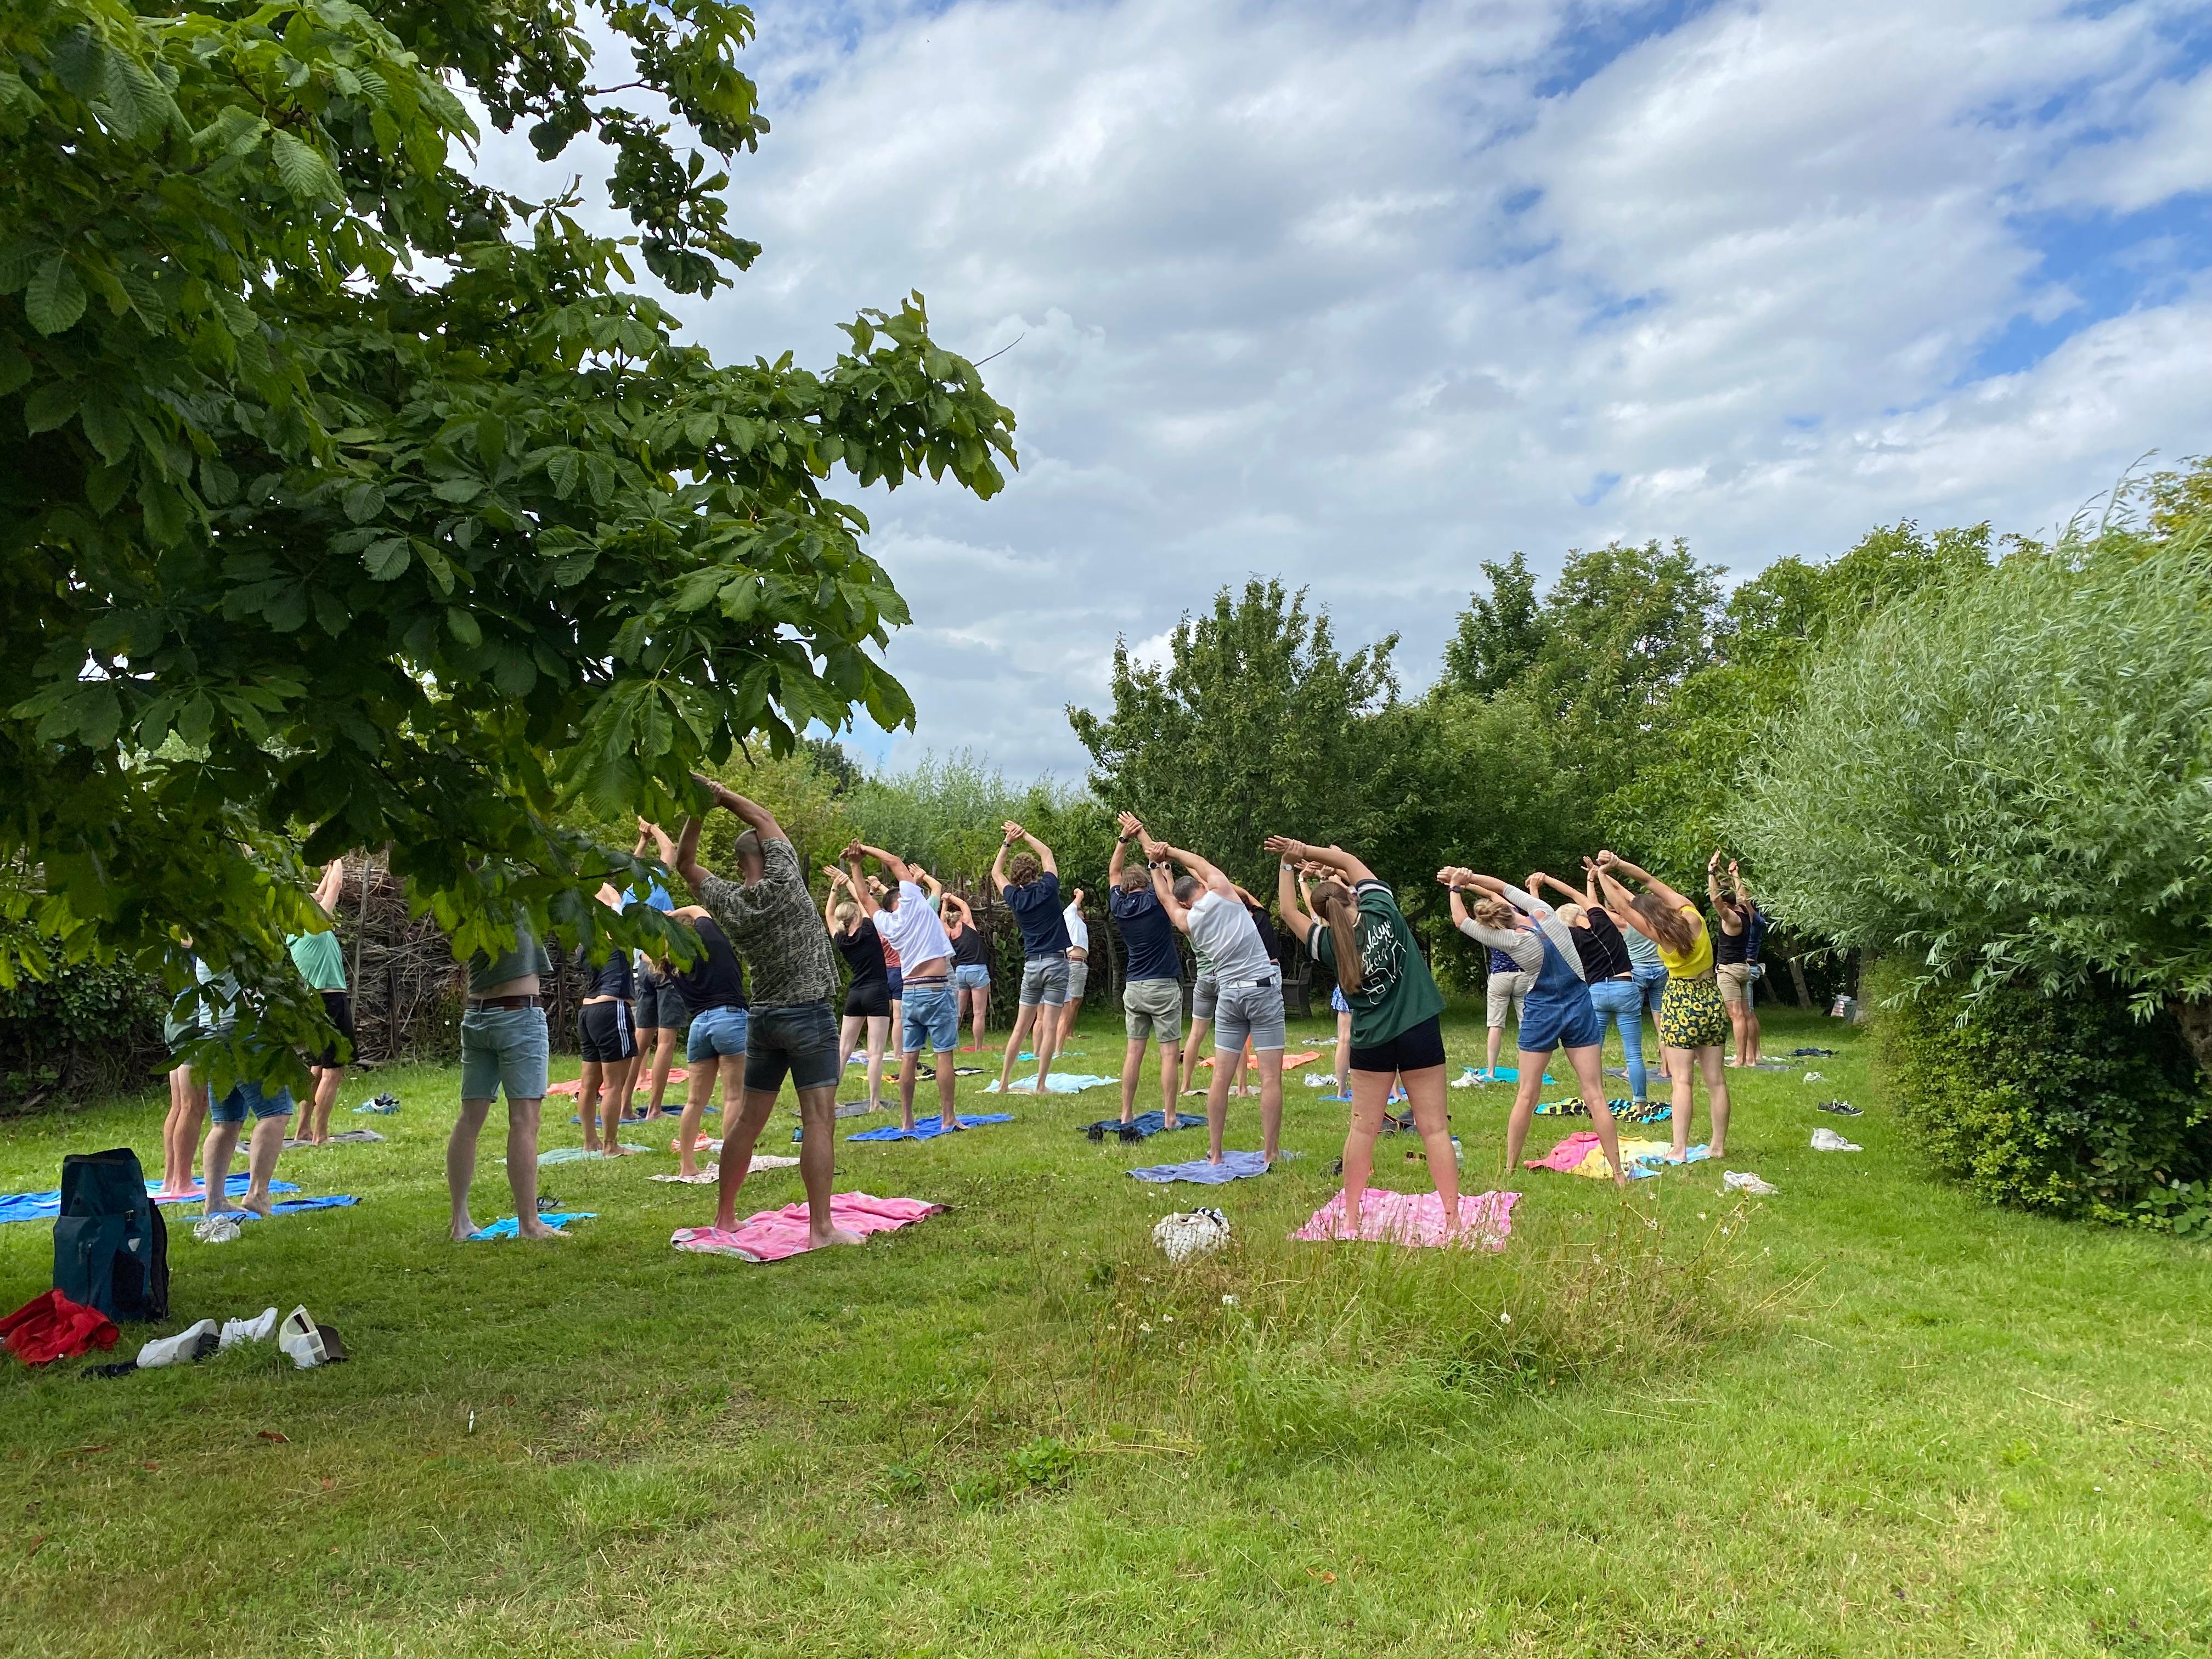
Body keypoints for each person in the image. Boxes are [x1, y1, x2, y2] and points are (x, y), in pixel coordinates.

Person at [675, 778, 861, 1251]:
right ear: (768, 855)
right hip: (809, 1016)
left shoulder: (730, 903)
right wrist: (720, 794)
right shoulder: (787, 883)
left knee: (747, 1121)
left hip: (762, 1019)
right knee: (819, 1120)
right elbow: (763, 819)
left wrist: (699, 811)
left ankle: (726, 1215)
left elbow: (685, 864)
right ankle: (821, 1229)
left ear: (740, 865)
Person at [1268, 836, 1460, 1235]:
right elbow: (1348, 859)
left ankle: (1352, 1218)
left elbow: (1287, 910)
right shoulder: (1382, 908)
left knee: (1362, 1129)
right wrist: (1302, 850)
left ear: (1323, 913)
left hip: (1371, 1041)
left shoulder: (1327, 944)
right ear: (1352, 897)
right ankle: (1453, 1220)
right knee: (1435, 1129)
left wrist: (1286, 866)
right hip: (1419, 1029)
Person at [1441, 869, 1631, 1188]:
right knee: (1595, 1095)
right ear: (1513, 908)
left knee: (1527, 1094)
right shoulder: (1546, 914)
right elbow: (1501, 886)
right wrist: (1469, 877)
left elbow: (1461, 921)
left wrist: (1456, 888)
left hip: (1542, 1012)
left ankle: (1510, 1169)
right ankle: (1618, 1173)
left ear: (1493, 923)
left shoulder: (1507, 939)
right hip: (1579, 1005)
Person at [1142, 833, 1284, 1165]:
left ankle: (1217, 1155)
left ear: (1187, 903)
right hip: (1262, 990)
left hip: (1229, 996)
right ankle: (1271, 1153)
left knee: (1220, 1078)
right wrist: (1171, 852)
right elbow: (1199, 864)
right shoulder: (1225, 893)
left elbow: (1165, 898)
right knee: (1270, 1078)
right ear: (1201, 888)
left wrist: (1154, 864)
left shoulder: (1189, 922)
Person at [1592, 851, 1732, 1161]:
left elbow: (1621, 905)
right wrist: (1617, 864)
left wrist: (1601, 876)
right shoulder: (1691, 914)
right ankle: (1718, 1147)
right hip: (1711, 996)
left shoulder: (1657, 933)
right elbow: (1648, 881)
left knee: (1682, 1081)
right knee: (1716, 1080)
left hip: (1680, 1000)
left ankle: (1680, 1149)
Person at [448, 903, 560, 1240]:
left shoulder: (467, 897)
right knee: (525, 1121)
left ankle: (460, 1223)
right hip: (517, 1015)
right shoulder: (511, 886)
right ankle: (530, 1225)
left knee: (469, 1119)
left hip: (477, 1014)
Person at [843, 842, 962, 1132]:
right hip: (935, 987)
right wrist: (865, 850)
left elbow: (862, 896)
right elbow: (896, 862)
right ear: (906, 896)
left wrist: (855, 864)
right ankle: (948, 1118)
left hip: (910, 992)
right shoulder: (916, 904)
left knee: (909, 1057)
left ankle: (907, 1121)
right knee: (944, 1054)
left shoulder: (886, 923)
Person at [1531, 868, 1651, 1114]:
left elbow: (1540, 919)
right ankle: (1640, 1104)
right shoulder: (1603, 921)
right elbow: (1576, 894)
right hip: (1625, 987)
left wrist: (1535, 891)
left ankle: (1593, 1100)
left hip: (1595, 992)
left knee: (1592, 1049)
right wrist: (1549, 879)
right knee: (1633, 1052)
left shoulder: (1569, 938)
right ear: (1581, 913)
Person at [196, 966, 294, 1221]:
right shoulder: (234, 935)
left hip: (213, 1030)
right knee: (275, 1113)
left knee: (225, 1122)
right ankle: (257, 1194)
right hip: (245, 1029)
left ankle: (215, 1201)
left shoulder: (204, 938)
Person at [1108, 812, 1185, 1128]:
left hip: (1134, 986)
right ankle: (1169, 1118)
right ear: (1147, 883)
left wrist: (1124, 838)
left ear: (1126, 888)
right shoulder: (1158, 901)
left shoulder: (1119, 906)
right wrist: (1143, 835)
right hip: (1163, 986)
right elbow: (1165, 877)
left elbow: (1114, 870)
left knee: (1133, 1054)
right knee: (1169, 1055)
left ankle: (1126, 1114)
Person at [664, 902, 749, 1180]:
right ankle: (732, 1164)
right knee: (734, 1096)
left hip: (699, 1025)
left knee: (695, 1101)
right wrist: (671, 916)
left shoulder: (670, 963)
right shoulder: (711, 941)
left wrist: (662, 925)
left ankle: (687, 1165)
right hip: (731, 1018)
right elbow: (698, 909)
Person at [991, 822, 1071, 1094]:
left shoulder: (1014, 897)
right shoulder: (1048, 889)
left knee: (1020, 1028)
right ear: (1036, 872)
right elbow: (1047, 853)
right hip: (1056, 963)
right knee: (1049, 1028)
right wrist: (1024, 835)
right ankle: (1040, 1085)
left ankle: (1003, 1084)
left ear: (1016, 877)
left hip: (1032, 964)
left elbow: (995, 872)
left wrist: (1007, 843)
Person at [285, 858, 352, 1146]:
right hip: (331, 1000)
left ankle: (303, 1130)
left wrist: (325, 866)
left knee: (317, 1067)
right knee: (334, 1070)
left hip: (312, 1004)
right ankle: (321, 1135)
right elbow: (335, 886)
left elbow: (324, 892)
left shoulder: (294, 931)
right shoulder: (314, 927)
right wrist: (336, 858)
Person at [574, 881, 641, 1156]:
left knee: (589, 1084)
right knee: (614, 1084)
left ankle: (591, 1141)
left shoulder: (583, 943)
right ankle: (612, 1145)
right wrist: (593, 876)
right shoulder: (614, 934)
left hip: (587, 1012)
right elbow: (613, 898)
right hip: (612, 1010)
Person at [629, 821, 688, 1121]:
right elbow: (671, 850)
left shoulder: (628, 897)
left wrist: (641, 841)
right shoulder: (655, 884)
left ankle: (624, 1103)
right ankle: (654, 1109)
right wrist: (653, 829)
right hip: (665, 963)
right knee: (665, 1040)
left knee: (642, 1036)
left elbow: (635, 864)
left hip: (642, 962)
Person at [823, 869, 891, 1111]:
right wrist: (849, 881)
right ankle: (874, 1104)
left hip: (856, 995)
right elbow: (864, 902)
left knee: (843, 1051)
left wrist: (835, 887)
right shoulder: (869, 931)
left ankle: (830, 1099)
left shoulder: (841, 939)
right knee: (875, 1052)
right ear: (856, 917)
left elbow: (829, 914)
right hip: (877, 993)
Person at [1285, 869, 1353, 1102]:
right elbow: (1352, 892)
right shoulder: (1360, 920)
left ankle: (1341, 1090)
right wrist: (1334, 874)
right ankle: (1393, 1091)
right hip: (1373, 987)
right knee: (1384, 1037)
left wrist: (1303, 879)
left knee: (1344, 1039)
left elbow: (1310, 904)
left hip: (1345, 988)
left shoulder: (1323, 929)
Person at [158, 944, 210, 1196]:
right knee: (193, 1106)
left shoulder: (173, 934)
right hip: (193, 1022)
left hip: (180, 1019)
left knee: (180, 1106)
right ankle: (182, 1181)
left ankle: (172, 1180)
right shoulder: (191, 936)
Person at [1714, 856, 1763, 1066]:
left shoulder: (1732, 920)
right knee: (1744, 1014)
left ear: (1727, 905)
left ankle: (1740, 1059)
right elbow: (1742, 896)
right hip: (1744, 967)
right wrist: (1735, 875)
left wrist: (1711, 874)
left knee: (1735, 1016)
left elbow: (1715, 901)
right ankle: (1749, 1059)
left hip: (1729, 970)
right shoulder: (1745, 913)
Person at [944, 894, 993, 1050]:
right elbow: (964, 904)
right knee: (979, 1013)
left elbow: (941, 921)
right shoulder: (967, 924)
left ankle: (951, 1044)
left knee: (958, 1010)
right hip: (977, 969)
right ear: (961, 918)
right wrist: (950, 897)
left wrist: (944, 904)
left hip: (960, 971)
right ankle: (978, 1047)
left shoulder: (949, 933)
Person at [1480, 936, 1533, 1081]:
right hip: (1522, 974)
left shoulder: (1490, 926)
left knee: (1495, 1025)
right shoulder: (1518, 923)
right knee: (1526, 1024)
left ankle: (1491, 1071)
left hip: (1500, 976)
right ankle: (1528, 1071)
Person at [1058, 888, 1090, 1047]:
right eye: (1081, 912)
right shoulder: (1070, 916)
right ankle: (1065, 1034)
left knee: (1077, 1000)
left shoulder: (1081, 925)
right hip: (1074, 962)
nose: (1083, 915)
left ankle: (1069, 1032)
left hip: (1081, 964)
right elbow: (1075, 902)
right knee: (1072, 1000)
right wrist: (1079, 895)